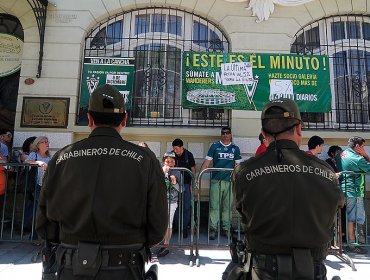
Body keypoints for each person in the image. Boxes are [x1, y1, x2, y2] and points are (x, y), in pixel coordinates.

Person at [36, 84, 168, 280]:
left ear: (89, 118)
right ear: (124, 119)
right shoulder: (144, 160)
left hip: (72, 266)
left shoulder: (62, 158)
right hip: (126, 268)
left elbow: (45, 224)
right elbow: (157, 228)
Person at [233, 98, 344, 279]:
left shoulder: (245, 172)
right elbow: (337, 206)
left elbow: (242, 210)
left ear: (263, 133)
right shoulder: (326, 171)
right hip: (312, 269)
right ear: (299, 129)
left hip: (263, 271)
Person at [200, 126, 242, 240]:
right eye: (223, 133)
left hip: (229, 182)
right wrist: (199, 177)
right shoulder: (214, 146)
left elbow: (238, 166)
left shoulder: (235, 148)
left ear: (231, 134)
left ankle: (226, 229)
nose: (225, 135)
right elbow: (207, 162)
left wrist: (240, 181)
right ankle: (213, 229)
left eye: (227, 133)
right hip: (216, 181)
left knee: (227, 207)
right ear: (221, 134)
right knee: (214, 206)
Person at [336, 136, 369, 254]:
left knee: (351, 216)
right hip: (354, 190)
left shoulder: (342, 154)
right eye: (363, 147)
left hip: (345, 189)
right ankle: (355, 243)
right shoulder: (357, 158)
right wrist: (365, 155)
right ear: (357, 146)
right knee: (357, 217)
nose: (364, 149)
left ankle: (354, 242)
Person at [24, 136, 51, 242]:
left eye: (47, 141)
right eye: (43, 142)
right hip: (36, 186)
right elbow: (27, 162)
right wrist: (38, 162)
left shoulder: (49, 156)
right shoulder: (34, 154)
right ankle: (37, 237)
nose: (46, 143)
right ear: (38, 145)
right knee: (42, 211)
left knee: (38, 212)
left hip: (46, 187)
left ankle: (35, 237)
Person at [157, 152, 182, 258]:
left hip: (171, 202)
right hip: (159, 201)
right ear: (163, 161)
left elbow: (181, 189)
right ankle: (158, 242)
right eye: (167, 161)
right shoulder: (159, 170)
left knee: (168, 224)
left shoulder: (177, 172)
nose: (170, 164)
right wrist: (161, 174)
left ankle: (166, 245)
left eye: (172, 161)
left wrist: (175, 183)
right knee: (158, 223)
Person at [171, 138, 196, 238]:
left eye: (177, 149)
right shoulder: (172, 154)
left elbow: (193, 169)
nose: (175, 151)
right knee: (175, 205)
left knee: (186, 207)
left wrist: (192, 183)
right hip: (175, 185)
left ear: (182, 147)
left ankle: (184, 228)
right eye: (174, 149)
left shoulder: (188, 155)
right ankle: (176, 226)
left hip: (186, 183)